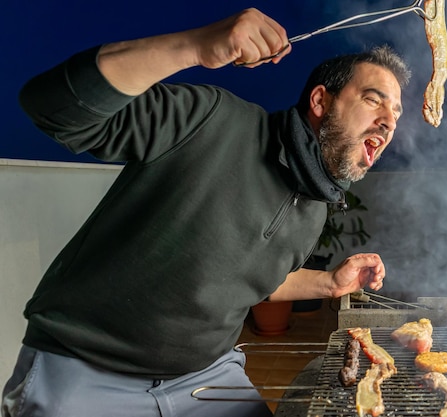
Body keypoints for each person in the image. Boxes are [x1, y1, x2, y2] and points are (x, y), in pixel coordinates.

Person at [2, 7, 410, 417]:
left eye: (395, 115)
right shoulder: (212, 119)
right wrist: (195, 45)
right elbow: (52, 108)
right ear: (321, 100)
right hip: (85, 371)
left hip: (206, 374)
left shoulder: (315, 208)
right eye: (374, 100)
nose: (388, 122)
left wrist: (328, 282)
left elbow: (248, 279)